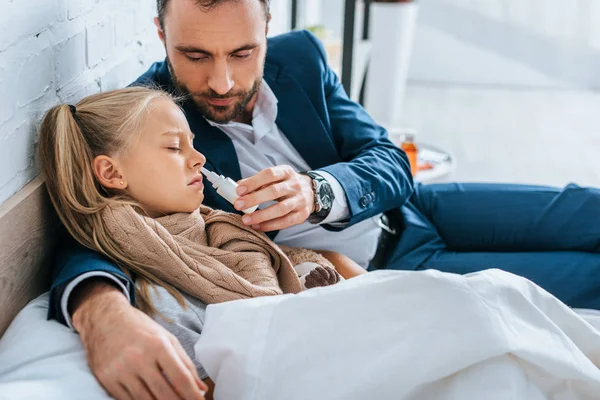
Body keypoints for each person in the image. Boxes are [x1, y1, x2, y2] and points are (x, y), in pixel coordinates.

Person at [45, 0, 600, 399]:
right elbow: (90, 221)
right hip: (392, 267)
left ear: (268, 25)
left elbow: (389, 158)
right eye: (193, 55)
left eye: (243, 52)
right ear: (160, 33)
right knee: (571, 284)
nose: (220, 81)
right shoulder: (150, 121)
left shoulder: (302, 58)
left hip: (415, 209)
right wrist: (100, 312)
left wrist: (320, 191)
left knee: (588, 207)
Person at [38, 86, 366, 400]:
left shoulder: (223, 232)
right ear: (111, 172)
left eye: (192, 143)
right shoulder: (166, 304)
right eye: (173, 147)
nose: (199, 158)